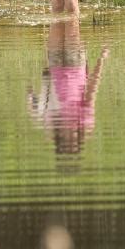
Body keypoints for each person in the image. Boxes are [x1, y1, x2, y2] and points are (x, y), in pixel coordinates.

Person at [27, 19, 109, 156]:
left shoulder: (52, 122)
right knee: (62, 19)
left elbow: (38, 104)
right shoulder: (84, 120)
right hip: (75, 64)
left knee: (62, 22)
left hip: (58, 63)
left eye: (68, 140)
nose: (70, 136)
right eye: (71, 140)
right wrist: (102, 59)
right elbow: (93, 87)